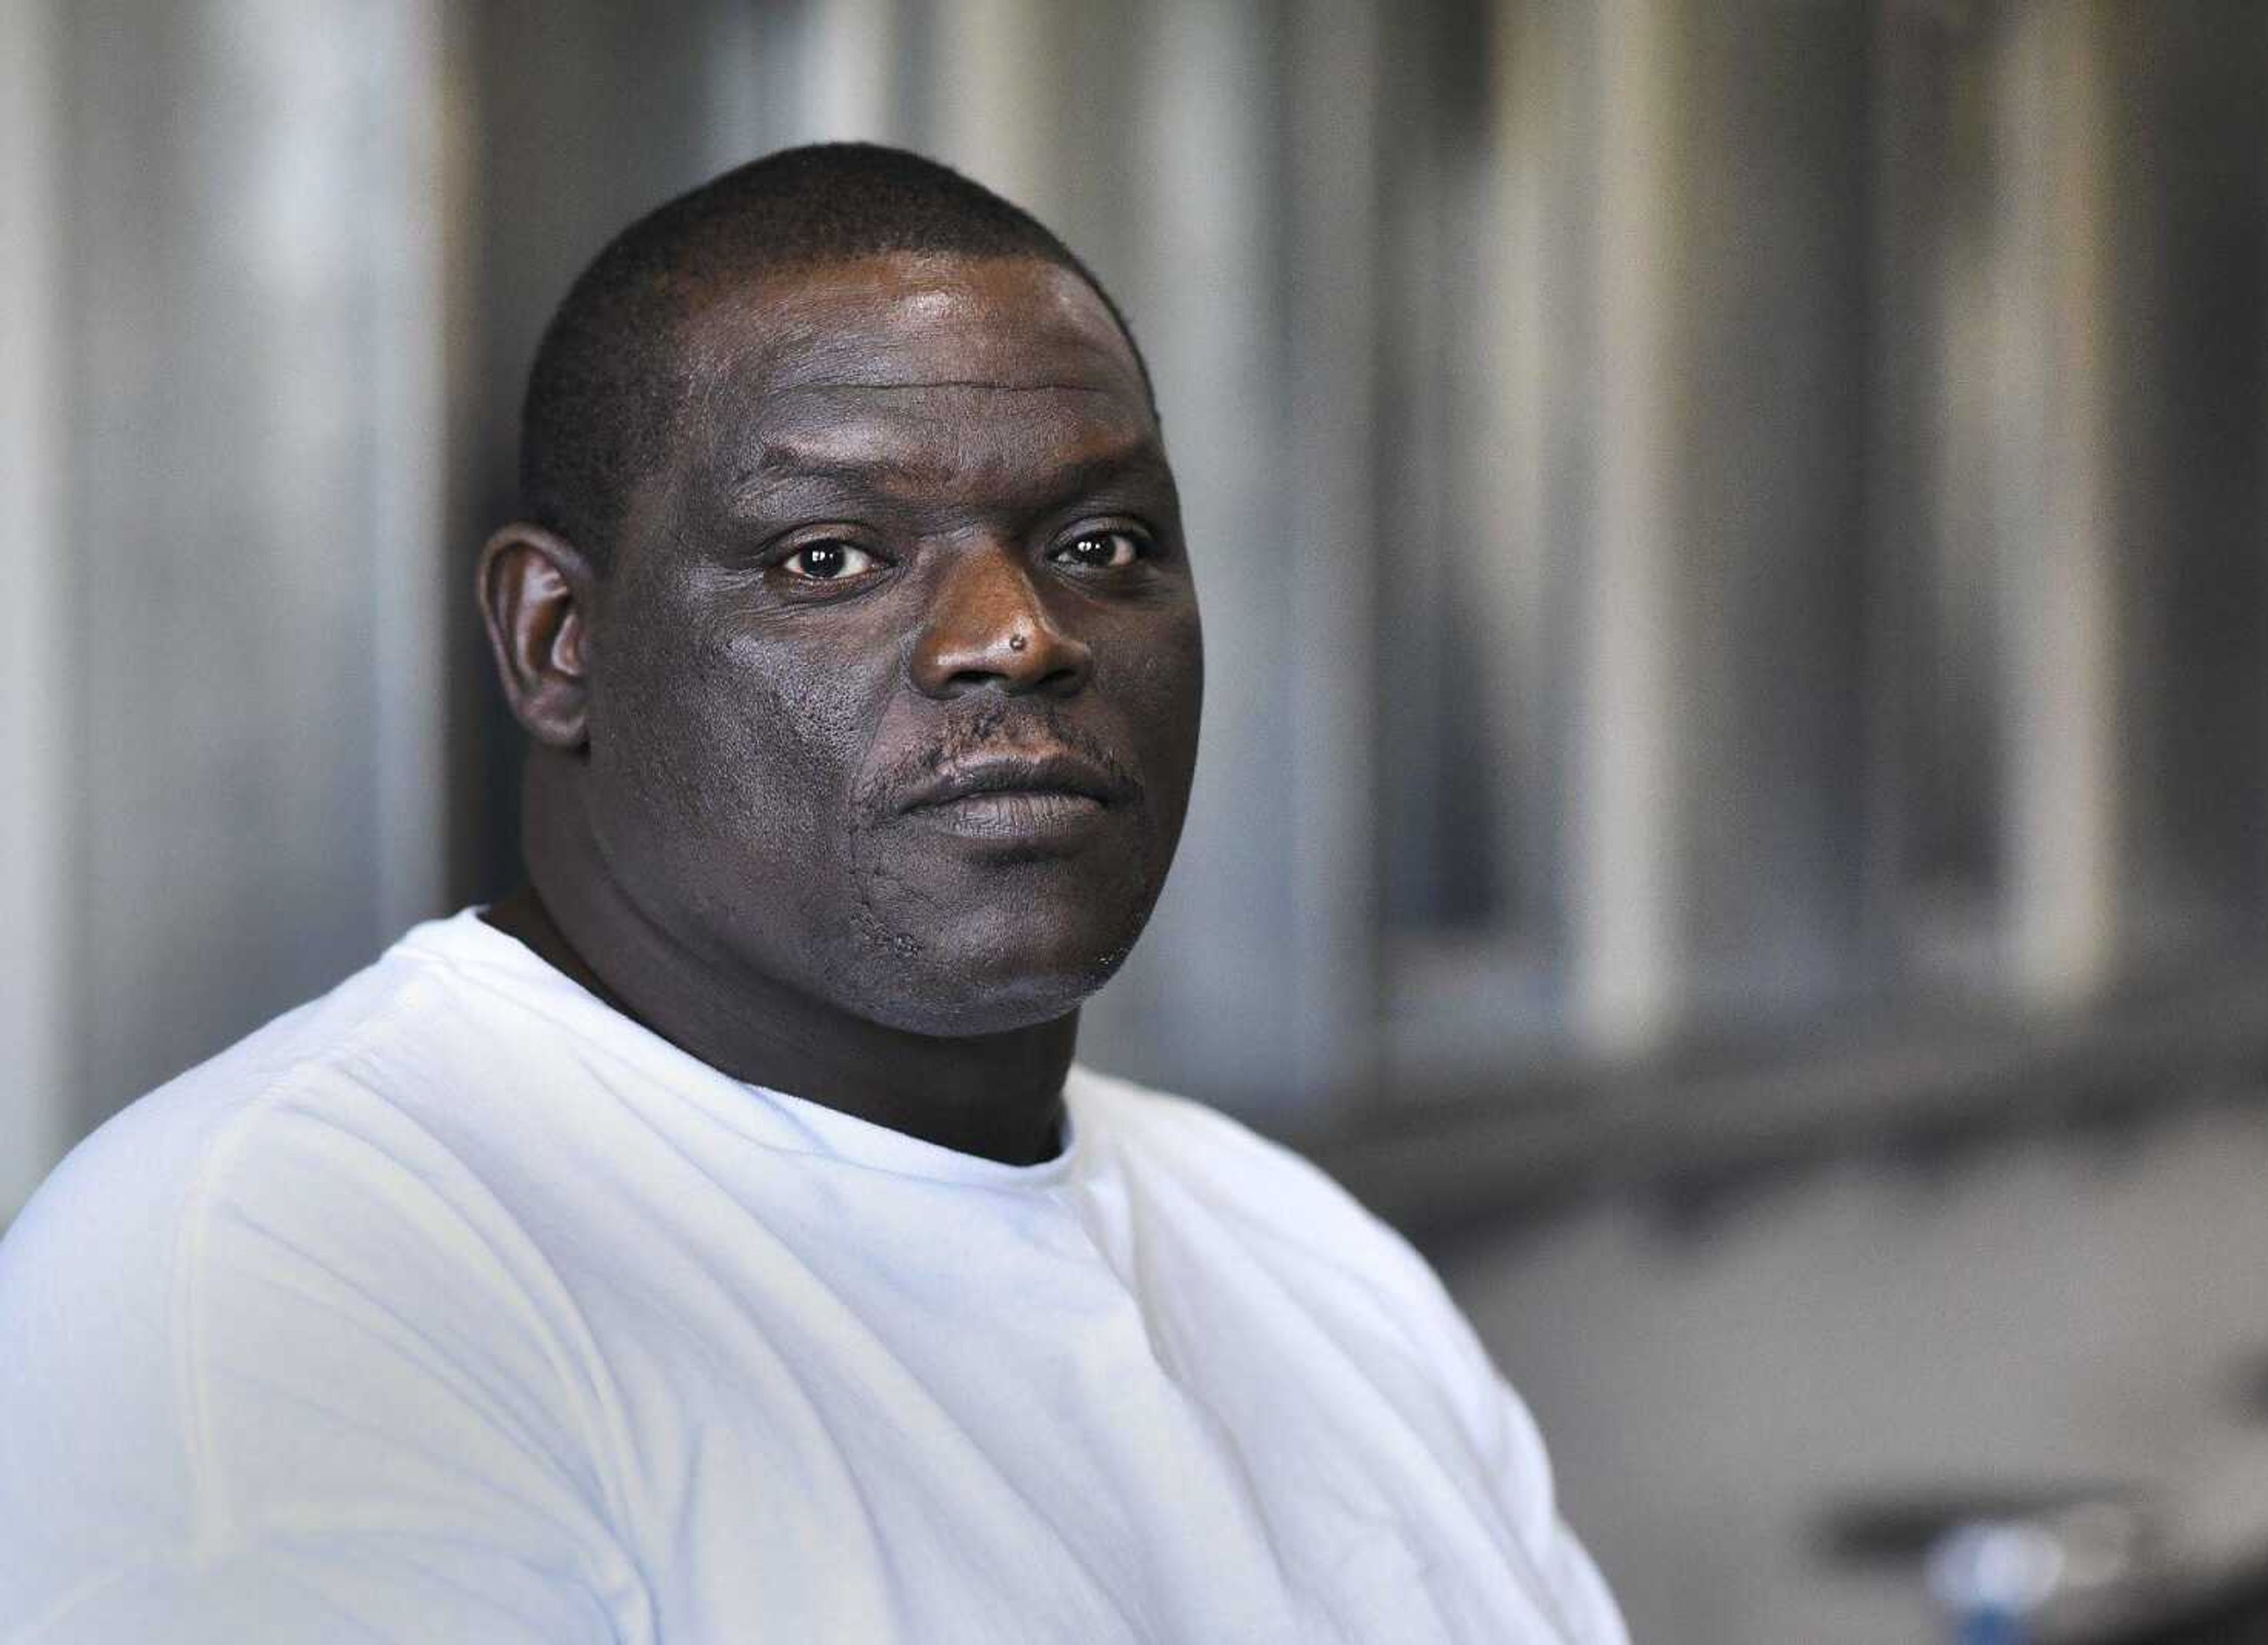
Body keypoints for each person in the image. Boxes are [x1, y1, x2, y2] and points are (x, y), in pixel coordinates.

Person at [0, 144, 1626, 1643]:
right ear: (559, 643)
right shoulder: (297, 1263)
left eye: (1107, 542)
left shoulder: (1305, 1257)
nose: (1018, 633)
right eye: (830, 557)